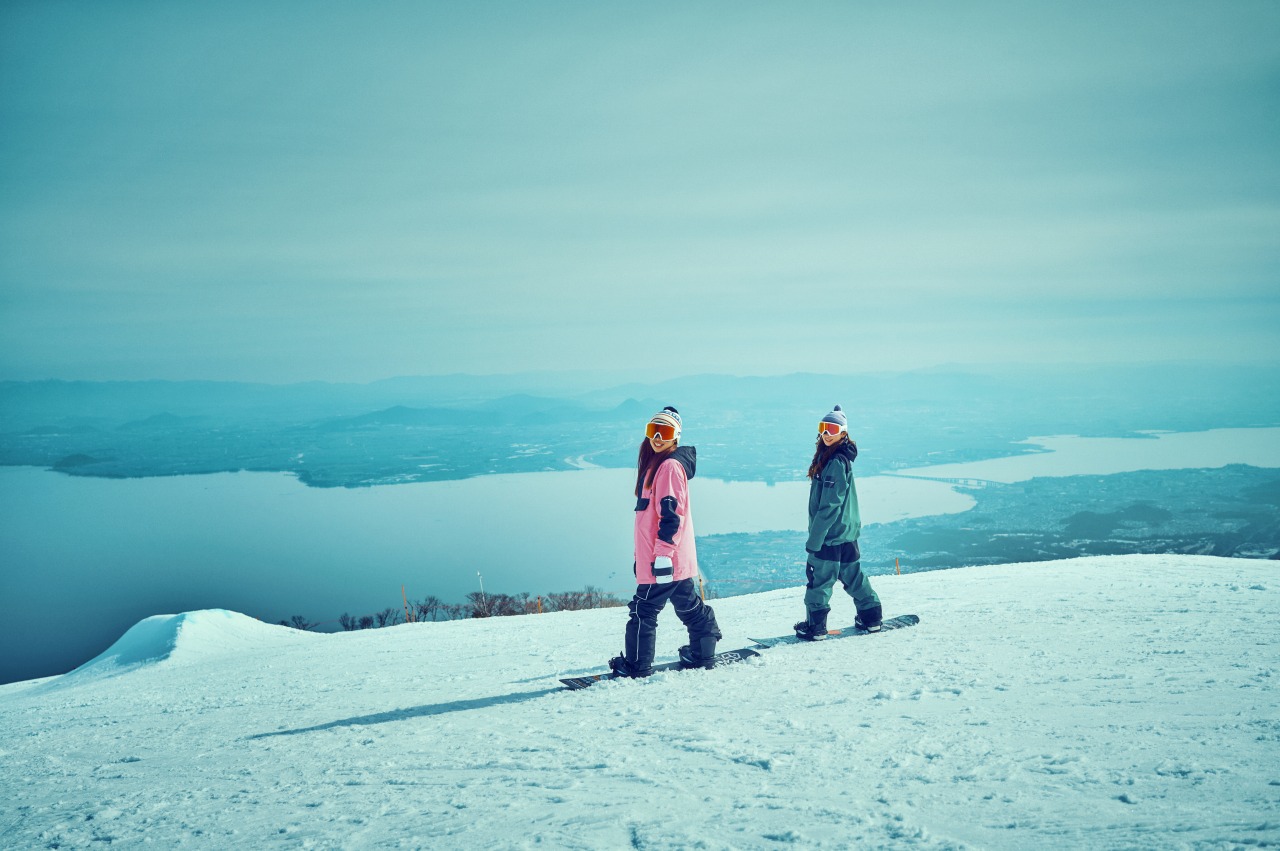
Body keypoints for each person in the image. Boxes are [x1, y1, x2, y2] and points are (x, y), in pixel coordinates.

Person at [608, 406, 722, 678]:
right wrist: (643, 557)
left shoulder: (669, 467)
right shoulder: (656, 465)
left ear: (676, 437)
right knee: (688, 605)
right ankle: (703, 650)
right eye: (653, 431)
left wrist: (661, 557)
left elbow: (671, 516)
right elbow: (648, 520)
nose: (658, 437)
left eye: (665, 431)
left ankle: (636, 665)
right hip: (671, 560)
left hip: (666, 559)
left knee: (643, 610)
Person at [794, 404, 882, 640]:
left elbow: (830, 505)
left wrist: (815, 539)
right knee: (853, 576)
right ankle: (871, 617)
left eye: (832, 428)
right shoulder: (838, 458)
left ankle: (816, 627)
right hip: (847, 533)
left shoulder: (834, 463)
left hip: (830, 536)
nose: (826, 434)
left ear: (843, 432)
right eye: (823, 428)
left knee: (819, 580)